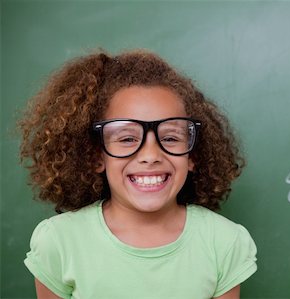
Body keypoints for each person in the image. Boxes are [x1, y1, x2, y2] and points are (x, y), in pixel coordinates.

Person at [19, 49, 257, 299]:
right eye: (127, 138)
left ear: (193, 155)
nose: (150, 155)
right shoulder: (59, 242)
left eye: (170, 137)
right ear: (96, 156)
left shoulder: (225, 242)